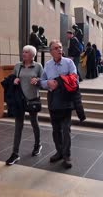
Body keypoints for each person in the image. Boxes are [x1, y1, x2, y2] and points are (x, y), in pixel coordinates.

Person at [40, 40, 77, 169]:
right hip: (53, 98)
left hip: (66, 98)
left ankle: (67, 155)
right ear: (51, 52)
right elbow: (42, 80)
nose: (59, 50)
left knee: (66, 129)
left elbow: (75, 78)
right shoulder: (48, 64)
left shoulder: (69, 62)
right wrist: (48, 84)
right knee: (56, 129)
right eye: (56, 48)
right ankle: (59, 152)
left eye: (60, 47)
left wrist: (59, 82)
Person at [5, 45, 43, 165]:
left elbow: (43, 81)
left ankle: (38, 145)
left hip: (32, 99)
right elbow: (11, 79)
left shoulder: (38, 66)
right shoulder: (17, 66)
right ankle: (15, 153)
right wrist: (14, 80)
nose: (24, 53)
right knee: (18, 126)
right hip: (19, 100)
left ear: (32, 55)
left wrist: (37, 80)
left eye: (26, 52)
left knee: (34, 123)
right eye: (23, 52)